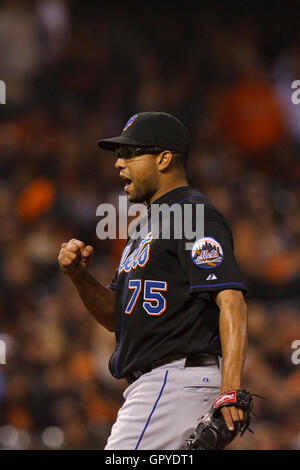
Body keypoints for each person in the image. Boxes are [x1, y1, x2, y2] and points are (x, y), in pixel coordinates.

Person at [57, 112, 248, 450]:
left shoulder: (193, 214)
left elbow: (230, 300)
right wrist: (80, 278)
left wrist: (230, 388)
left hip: (173, 381)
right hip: (161, 384)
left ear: (163, 159)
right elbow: (116, 317)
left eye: (130, 153)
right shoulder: (144, 228)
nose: (118, 163)